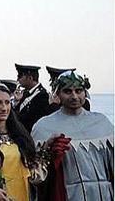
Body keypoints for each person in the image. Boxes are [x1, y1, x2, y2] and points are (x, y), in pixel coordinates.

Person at [31, 71, 113, 201]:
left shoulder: (102, 122)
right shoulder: (43, 126)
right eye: (67, 91)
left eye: (79, 90)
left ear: (85, 93)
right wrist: (48, 152)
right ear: (58, 94)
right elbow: (34, 174)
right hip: (68, 195)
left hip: (103, 194)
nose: (74, 96)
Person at [14, 63, 53, 131]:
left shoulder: (42, 95)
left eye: (20, 76)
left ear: (30, 78)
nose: (18, 80)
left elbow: (31, 119)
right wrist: (17, 102)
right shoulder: (26, 93)